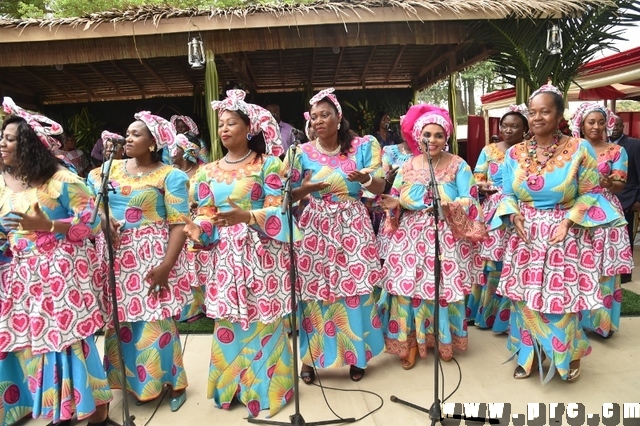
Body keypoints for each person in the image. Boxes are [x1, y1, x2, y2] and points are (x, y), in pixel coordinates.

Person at [494, 85, 624, 382]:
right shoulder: (515, 152)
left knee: (560, 300)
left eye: (545, 111)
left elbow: (590, 191)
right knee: (525, 299)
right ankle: (528, 354)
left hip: (562, 235)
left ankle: (568, 354)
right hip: (525, 235)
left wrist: (568, 222)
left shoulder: (580, 148)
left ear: (559, 114)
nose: (537, 117)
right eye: (532, 111)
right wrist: (512, 215)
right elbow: (505, 191)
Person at [184, 89, 297, 417]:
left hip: (261, 254)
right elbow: (206, 213)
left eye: (231, 123)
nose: (224, 129)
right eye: (220, 124)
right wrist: (197, 228)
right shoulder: (207, 172)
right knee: (230, 320)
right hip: (226, 259)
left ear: (249, 128)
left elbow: (280, 211)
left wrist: (247, 216)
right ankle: (230, 386)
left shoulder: (269, 165)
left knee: (263, 319)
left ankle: (265, 389)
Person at [0, 98, 111, 426]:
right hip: (24, 277)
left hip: (63, 276)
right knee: (40, 345)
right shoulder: (5, 183)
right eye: (2, 137)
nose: (2, 143)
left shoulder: (62, 180)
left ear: (30, 145)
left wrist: (48, 226)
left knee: (70, 343)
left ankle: (94, 412)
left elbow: (91, 224)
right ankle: (60, 409)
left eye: (10, 138)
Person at [87, 111, 192, 412]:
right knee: (121, 320)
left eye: (136, 134)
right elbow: (91, 206)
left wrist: (167, 266)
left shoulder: (169, 175)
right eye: (128, 133)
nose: (128, 138)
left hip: (152, 256)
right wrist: (106, 219)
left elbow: (178, 224)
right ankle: (129, 380)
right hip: (117, 256)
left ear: (152, 143)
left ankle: (173, 382)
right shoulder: (106, 171)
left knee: (155, 319)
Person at [285, 87, 386, 383]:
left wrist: (366, 177)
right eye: (314, 116)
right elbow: (285, 195)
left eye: (325, 114)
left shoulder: (363, 145)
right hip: (315, 225)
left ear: (339, 118)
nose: (319, 120)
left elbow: (380, 187)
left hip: (352, 224)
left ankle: (357, 356)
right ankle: (311, 357)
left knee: (354, 290)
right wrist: (304, 190)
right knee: (314, 291)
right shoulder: (298, 152)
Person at [378, 104, 486, 370]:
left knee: (440, 289)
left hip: (444, 236)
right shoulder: (406, 166)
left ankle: (442, 338)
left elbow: (471, 200)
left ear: (446, 137)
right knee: (408, 290)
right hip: (409, 238)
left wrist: (446, 205)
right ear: (418, 136)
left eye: (439, 135)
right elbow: (396, 196)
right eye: (427, 134)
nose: (433, 140)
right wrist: (394, 204)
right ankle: (411, 342)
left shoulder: (458, 165)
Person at [569, 103, 633, 338]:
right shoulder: (572, 149)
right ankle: (575, 320)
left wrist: (609, 184)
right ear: (581, 125)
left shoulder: (617, 151)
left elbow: (620, 184)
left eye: (601, 122)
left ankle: (601, 323)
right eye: (591, 122)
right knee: (577, 264)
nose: (596, 126)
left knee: (604, 267)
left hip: (606, 214)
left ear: (608, 124)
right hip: (577, 212)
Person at [467, 105, 529, 333]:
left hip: (520, 209)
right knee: (492, 263)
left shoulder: (529, 150)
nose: (509, 130)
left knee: (514, 261)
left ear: (525, 129)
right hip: (493, 210)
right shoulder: (489, 150)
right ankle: (485, 313)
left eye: (515, 126)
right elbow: (477, 177)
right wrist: (482, 186)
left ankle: (510, 317)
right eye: (505, 125)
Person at [611, 115, 640, 283]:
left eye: (619, 125)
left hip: (628, 200)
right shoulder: (601, 145)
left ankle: (626, 275)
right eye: (613, 125)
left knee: (626, 238)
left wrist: (639, 199)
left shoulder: (634, 145)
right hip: (605, 201)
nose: (615, 128)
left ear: (624, 127)